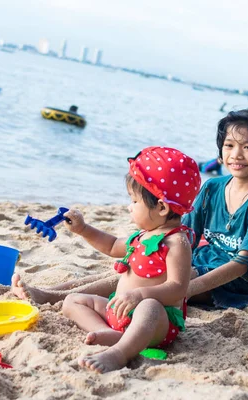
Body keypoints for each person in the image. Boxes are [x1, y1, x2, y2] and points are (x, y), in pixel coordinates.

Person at [8, 109, 248, 312]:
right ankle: (50, 291)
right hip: (202, 261)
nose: (236, 154)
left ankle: (49, 298)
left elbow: (241, 265)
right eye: (229, 146)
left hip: (239, 283)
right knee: (135, 268)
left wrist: (183, 289)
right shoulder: (212, 188)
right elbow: (181, 234)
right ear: (220, 152)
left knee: (148, 278)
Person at [60, 146, 200, 373]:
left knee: (150, 307)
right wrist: (83, 229)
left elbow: (178, 288)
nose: (129, 207)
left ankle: (119, 353)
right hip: (121, 311)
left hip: (155, 323)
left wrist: (140, 294)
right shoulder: (143, 235)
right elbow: (112, 245)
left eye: (134, 201)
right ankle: (107, 334)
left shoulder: (176, 243)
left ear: (162, 207)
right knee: (72, 301)